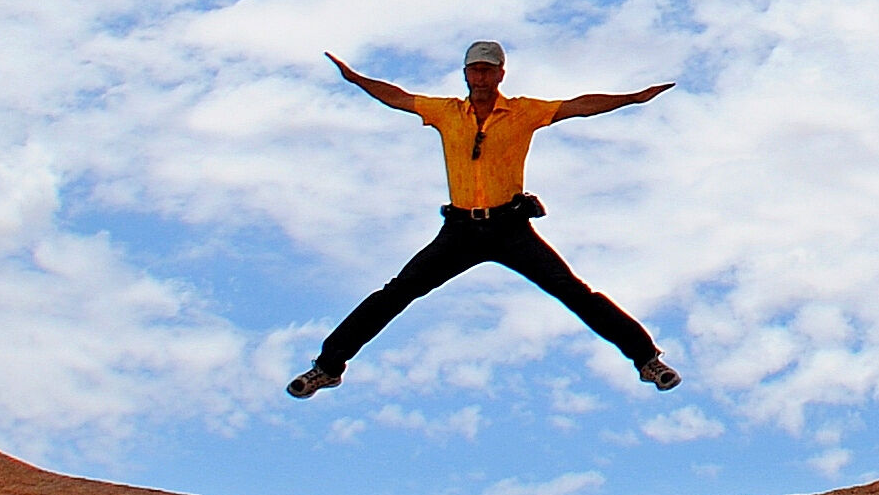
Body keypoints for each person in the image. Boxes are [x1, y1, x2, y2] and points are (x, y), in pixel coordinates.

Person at [287, 41, 681, 398]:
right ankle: (327, 368)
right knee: (396, 293)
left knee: (575, 293)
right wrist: (355, 78)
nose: (480, 76)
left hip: (510, 229)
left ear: (500, 74)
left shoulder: (524, 111)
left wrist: (634, 98)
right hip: (460, 230)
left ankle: (647, 360)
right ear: (465, 74)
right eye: (474, 70)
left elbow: (579, 105)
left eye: (488, 70)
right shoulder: (446, 112)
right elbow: (397, 98)